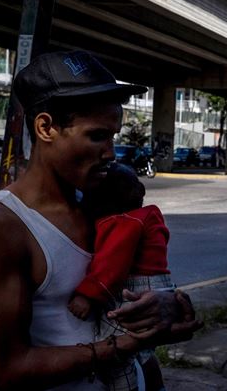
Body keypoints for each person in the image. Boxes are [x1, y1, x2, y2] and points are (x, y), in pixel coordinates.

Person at [0, 50, 202, 391]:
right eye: (97, 136)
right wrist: (125, 344)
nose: (111, 152)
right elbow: (10, 370)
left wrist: (168, 306)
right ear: (46, 127)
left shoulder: (102, 204)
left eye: (114, 136)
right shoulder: (0, 226)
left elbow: (134, 289)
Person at [68, 163, 174, 391]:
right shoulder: (145, 217)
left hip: (134, 289)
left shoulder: (123, 223)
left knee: (113, 355)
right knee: (142, 351)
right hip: (156, 287)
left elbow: (111, 266)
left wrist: (87, 295)